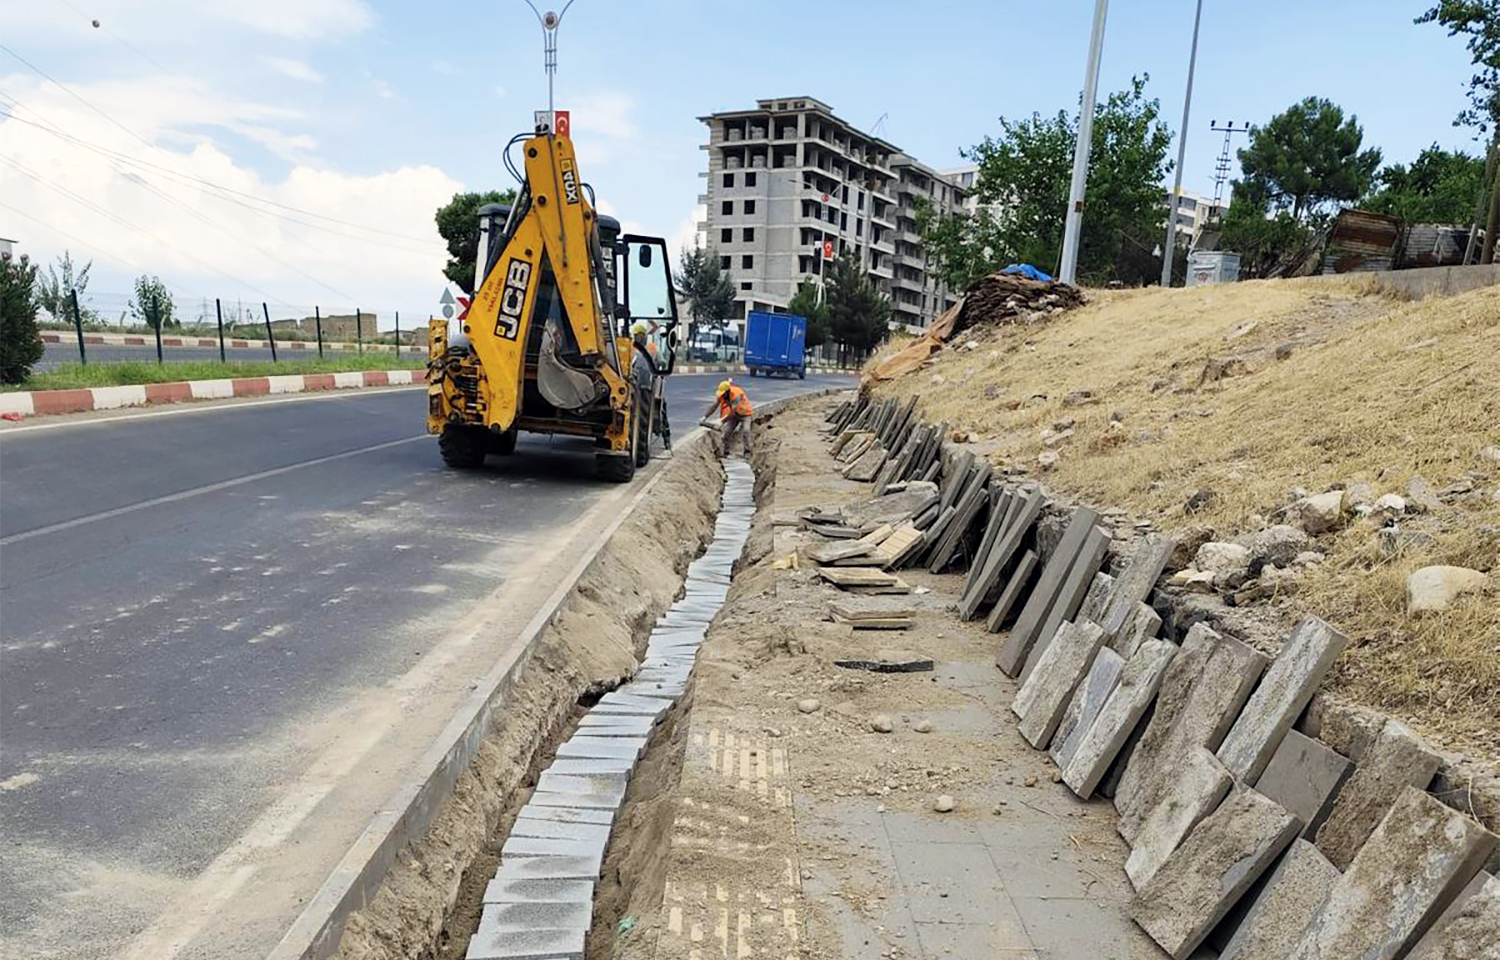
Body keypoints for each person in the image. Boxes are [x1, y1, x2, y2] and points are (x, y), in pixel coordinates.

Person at [630, 320, 670, 450]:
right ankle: (666, 440)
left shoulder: (629, 347)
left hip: (631, 383)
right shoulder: (652, 347)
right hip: (646, 385)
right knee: (659, 407)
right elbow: (663, 363)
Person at [702, 379, 753, 457]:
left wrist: (721, 422)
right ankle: (726, 452)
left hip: (745, 414)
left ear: (728, 391)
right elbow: (714, 406)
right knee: (727, 432)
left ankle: (747, 452)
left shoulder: (737, 394)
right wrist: (705, 416)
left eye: (724, 393)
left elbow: (732, 412)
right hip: (735, 415)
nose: (722, 395)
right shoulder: (722, 395)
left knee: (746, 430)